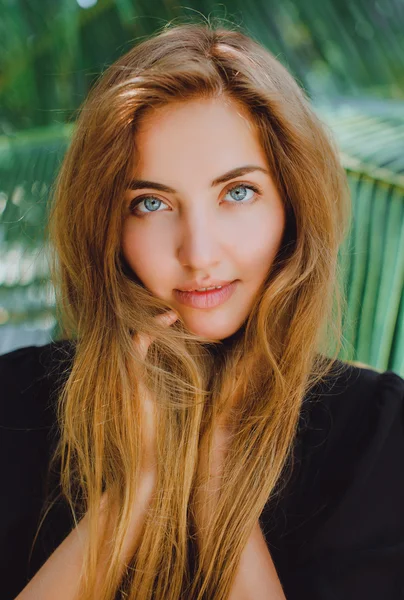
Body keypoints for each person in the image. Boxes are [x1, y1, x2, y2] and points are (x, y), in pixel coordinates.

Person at [1, 20, 403, 600]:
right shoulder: (13, 405)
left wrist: (215, 470)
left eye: (237, 193)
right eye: (151, 202)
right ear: (106, 226)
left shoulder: (377, 432)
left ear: (292, 203)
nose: (199, 253)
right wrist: (137, 484)